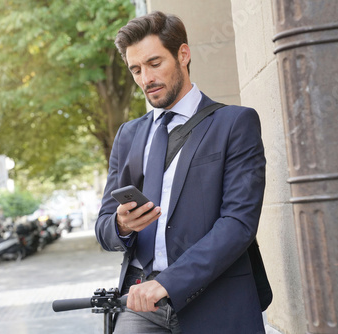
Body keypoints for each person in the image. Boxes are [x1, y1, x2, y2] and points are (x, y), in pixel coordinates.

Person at [95, 11, 268, 333]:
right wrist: (121, 224)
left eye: (154, 63)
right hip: (141, 302)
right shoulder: (128, 135)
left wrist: (169, 283)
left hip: (216, 298)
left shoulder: (234, 123)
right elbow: (103, 229)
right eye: (136, 69)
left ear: (183, 55)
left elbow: (238, 223)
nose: (146, 78)